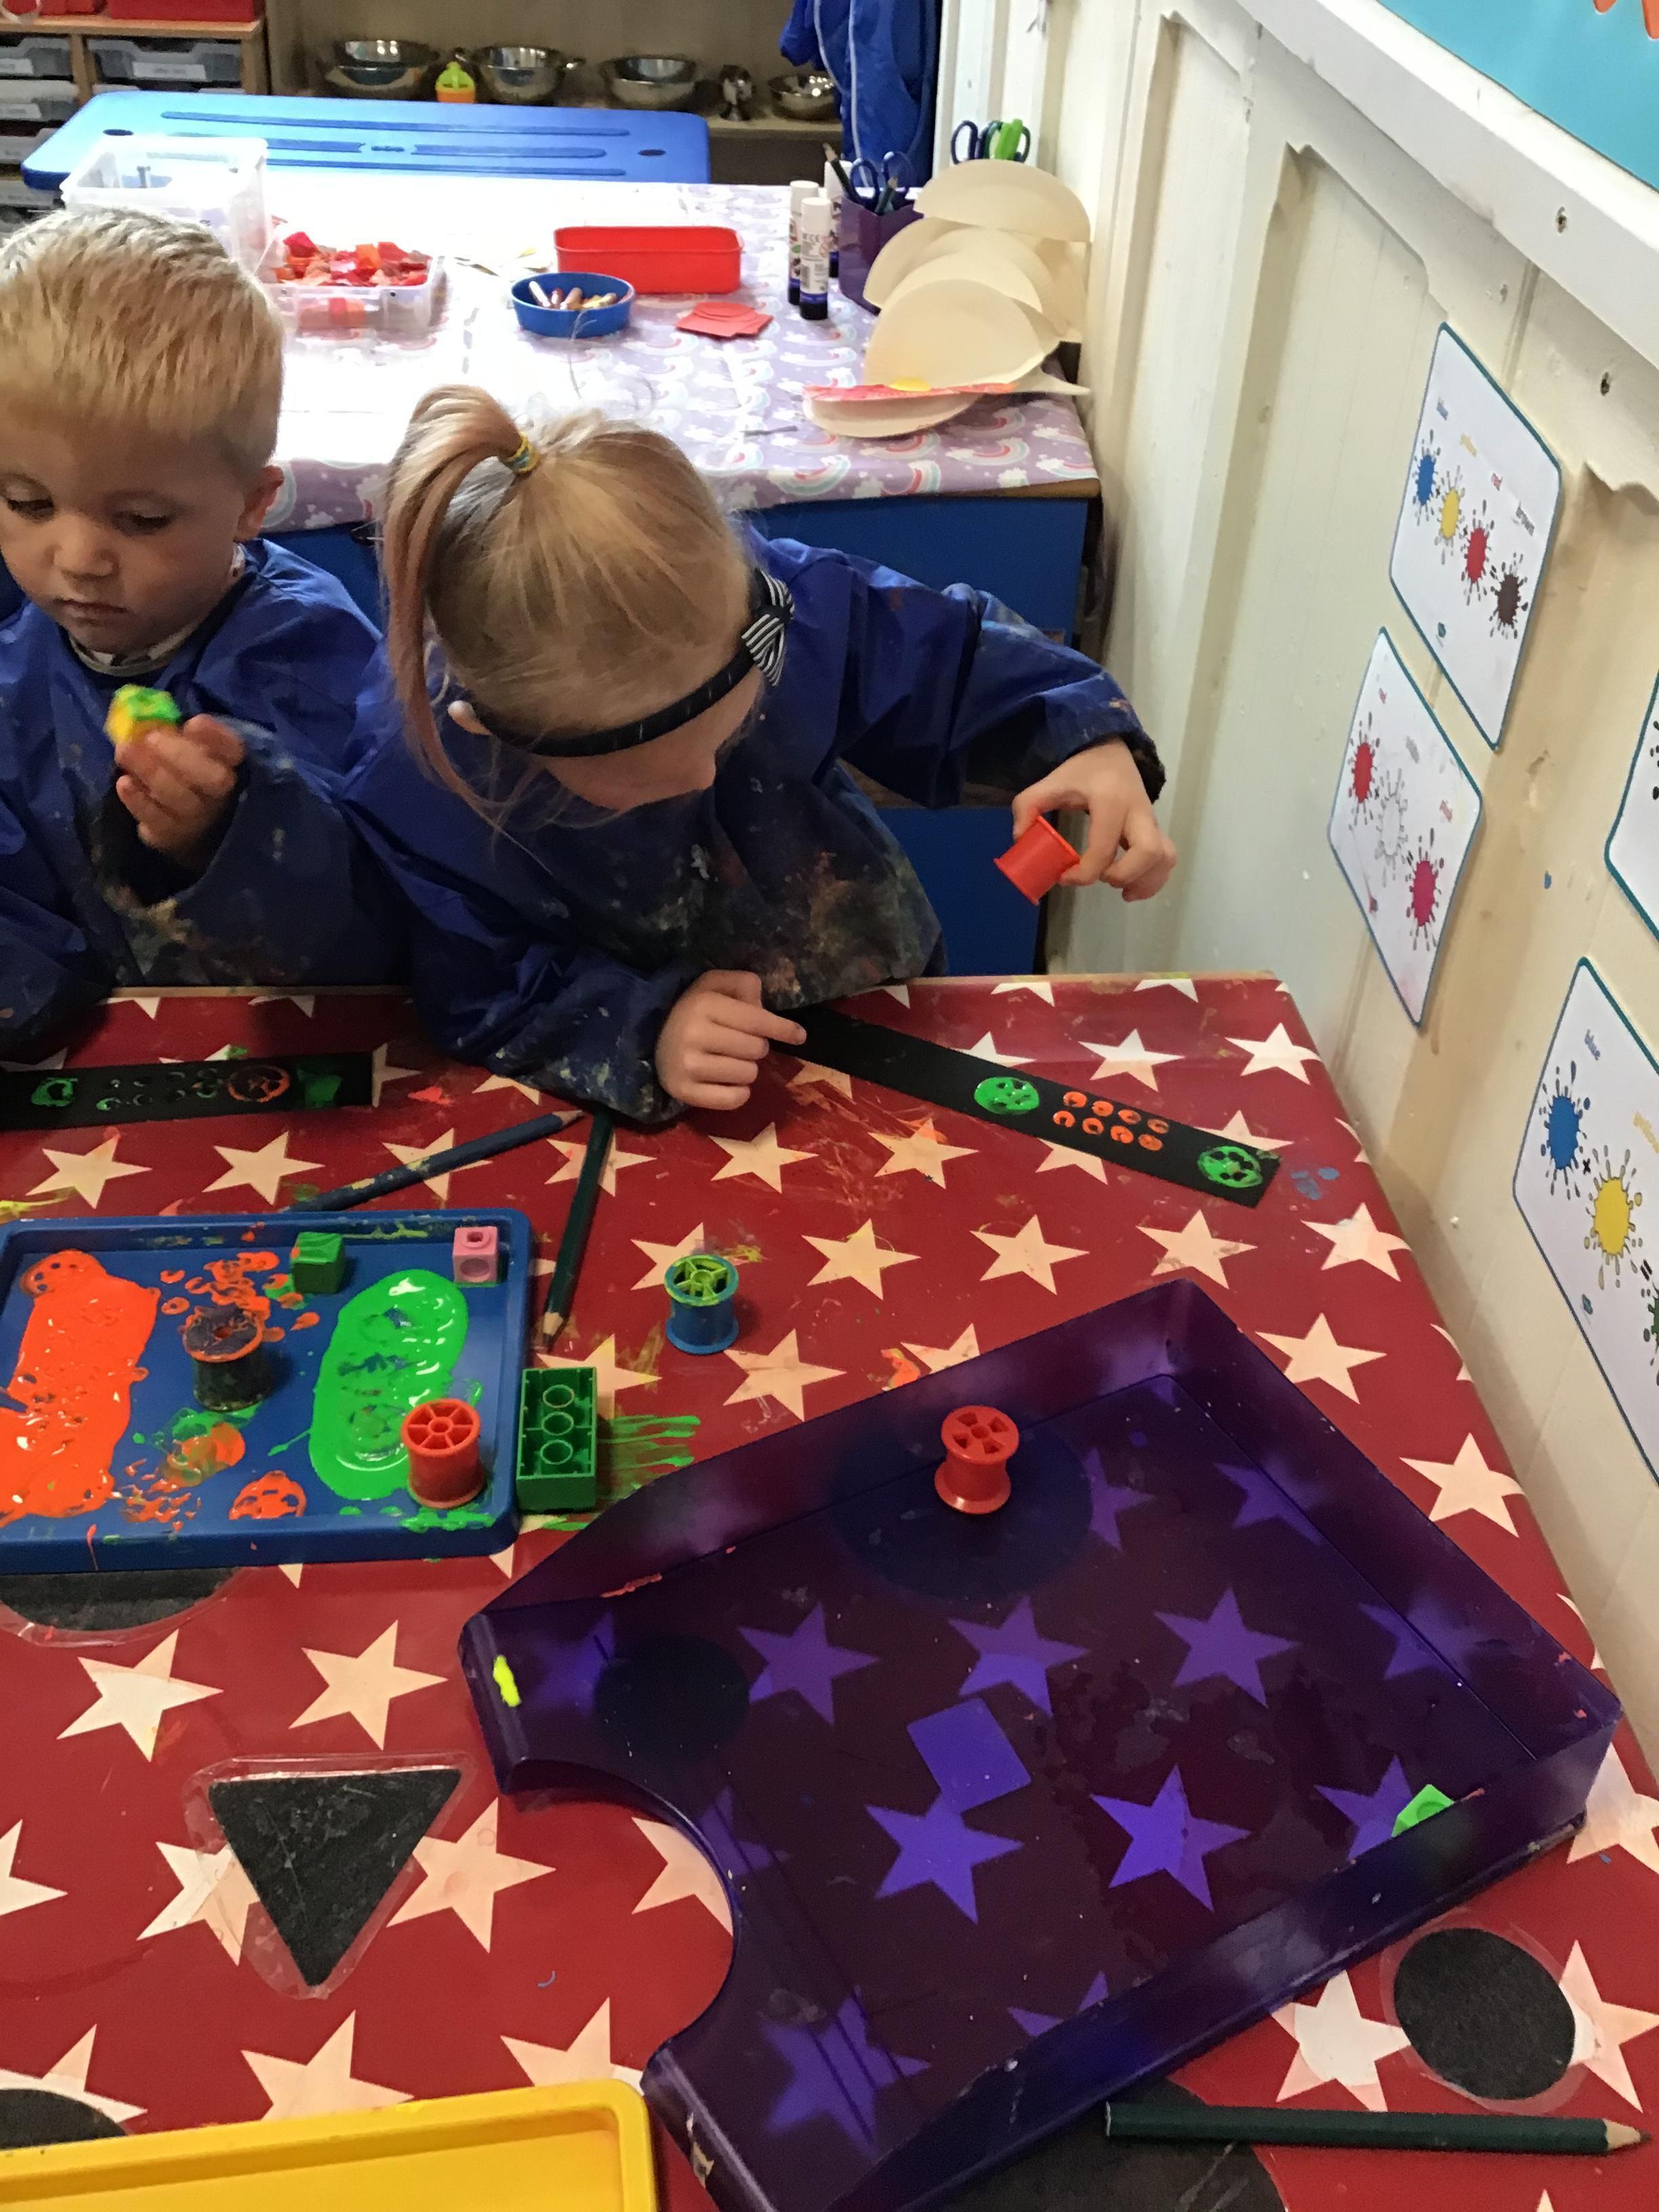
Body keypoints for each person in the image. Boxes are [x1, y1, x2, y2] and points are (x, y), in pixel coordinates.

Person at [343, 384, 1174, 1122]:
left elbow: (947, 662)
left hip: (864, 992)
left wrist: (1082, 735)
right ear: (491, 729)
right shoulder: (417, 781)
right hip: (657, 1091)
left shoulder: (765, 603)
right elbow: (482, 985)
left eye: (727, 735)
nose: (703, 778)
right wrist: (643, 1029)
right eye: (644, 779)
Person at [0, 208, 402, 1048]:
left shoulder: (305, 655)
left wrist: (228, 834)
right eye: (29, 503)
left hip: (301, 1051)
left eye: (142, 520)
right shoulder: (19, 661)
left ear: (253, 505)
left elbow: (387, 921)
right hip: (104, 1058)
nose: (78, 559)